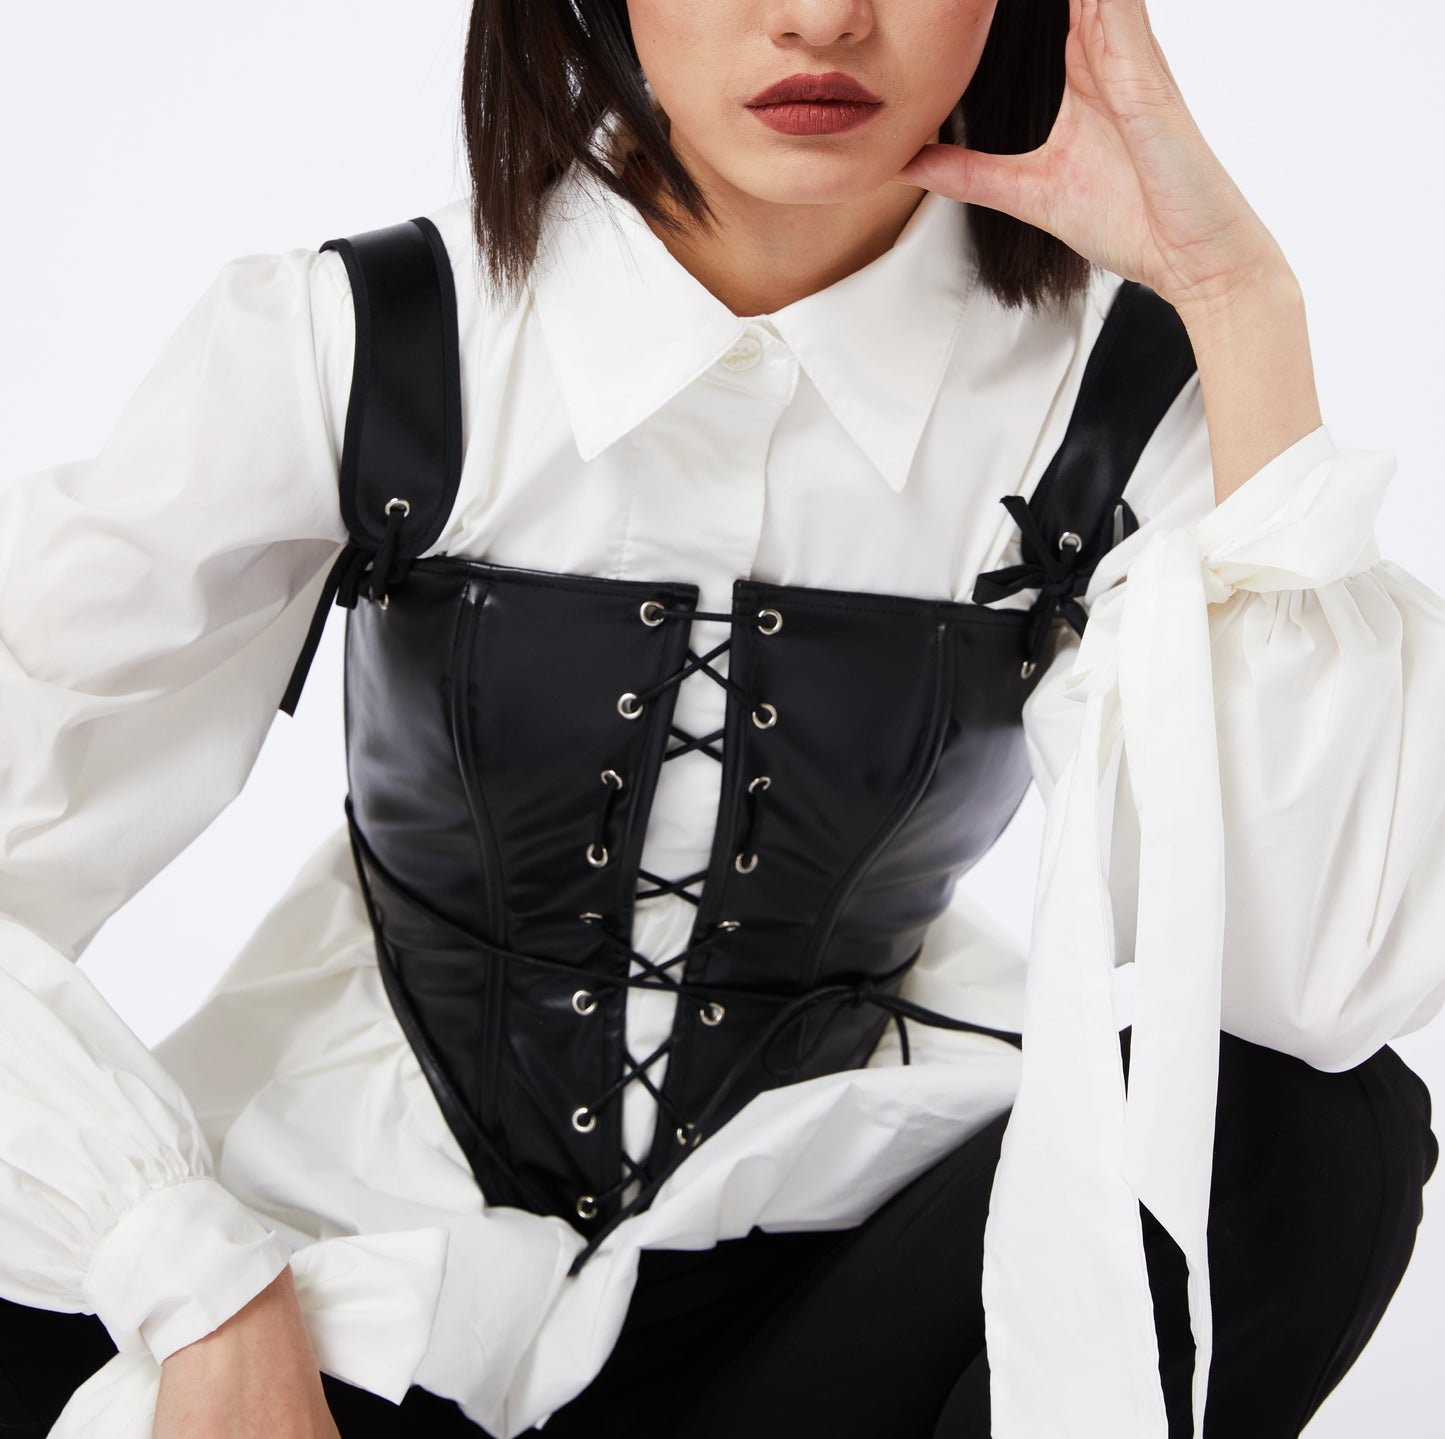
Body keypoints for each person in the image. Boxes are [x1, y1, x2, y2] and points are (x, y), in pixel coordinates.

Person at [1, 0, 1442, 1436]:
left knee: (1309, 1136)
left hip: (811, 1295)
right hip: (376, 1266)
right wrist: (199, 1286)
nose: (821, 18)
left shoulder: (1107, 397)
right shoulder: (368, 340)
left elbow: (1308, 991)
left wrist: (1237, 306)